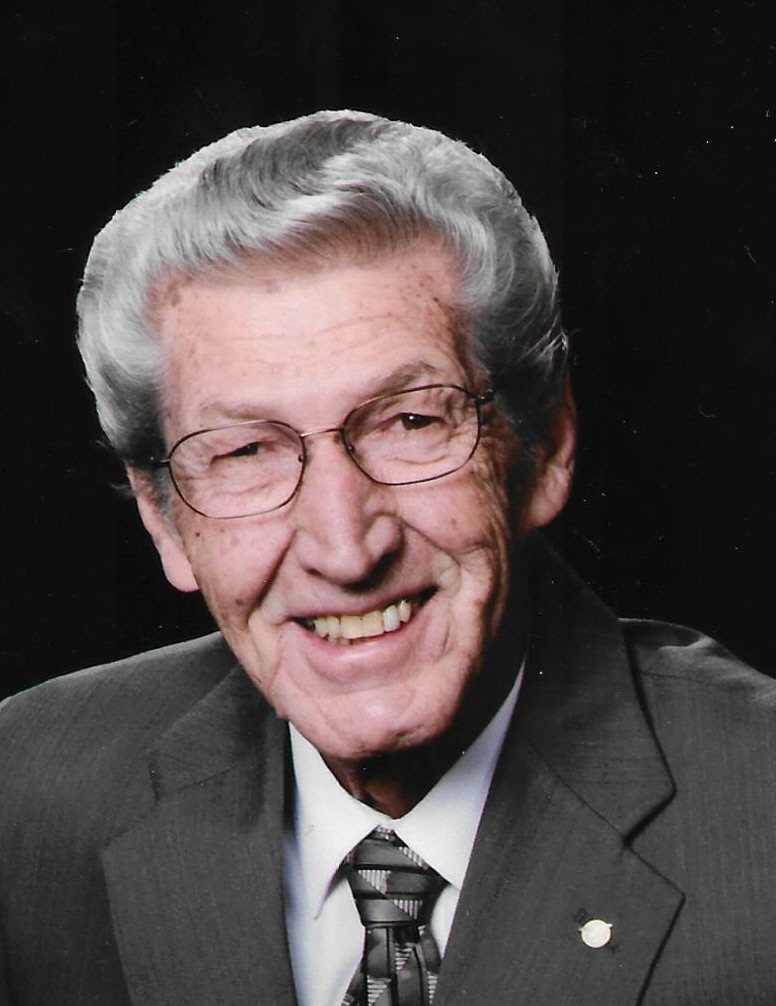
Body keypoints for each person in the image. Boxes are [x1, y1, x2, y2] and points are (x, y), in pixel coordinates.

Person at [1, 110, 774, 1006]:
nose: (344, 547)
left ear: (548, 447)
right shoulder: (27, 797)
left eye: (410, 421)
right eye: (246, 451)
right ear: (164, 520)